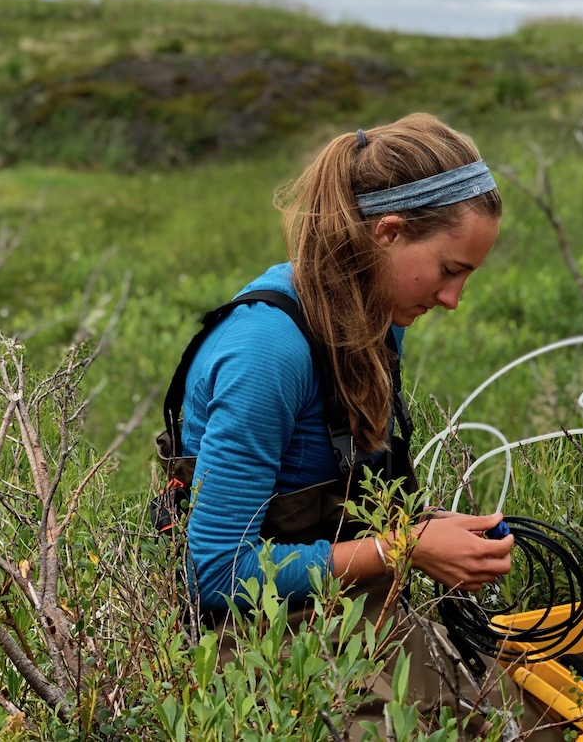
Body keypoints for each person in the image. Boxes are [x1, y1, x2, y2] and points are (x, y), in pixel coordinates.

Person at [167, 113, 560, 738]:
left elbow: (345, 488)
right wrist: (401, 547)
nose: (454, 299)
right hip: (253, 640)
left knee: (545, 716)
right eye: (450, 270)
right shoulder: (267, 353)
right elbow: (215, 575)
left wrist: (424, 531)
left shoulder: (375, 314)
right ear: (388, 232)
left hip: (349, 610)